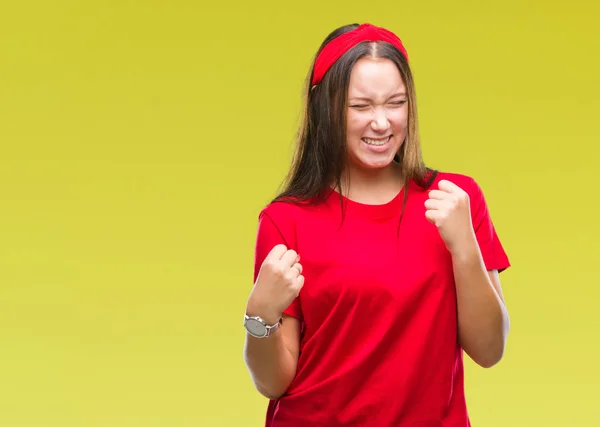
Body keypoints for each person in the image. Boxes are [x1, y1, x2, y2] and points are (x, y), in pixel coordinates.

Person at [242, 22, 511, 427]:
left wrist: (465, 249)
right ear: (325, 107)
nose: (382, 123)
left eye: (395, 103)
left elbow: (489, 350)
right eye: (361, 106)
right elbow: (274, 383)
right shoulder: (286, 220)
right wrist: (260, 313)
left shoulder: (455, 200)